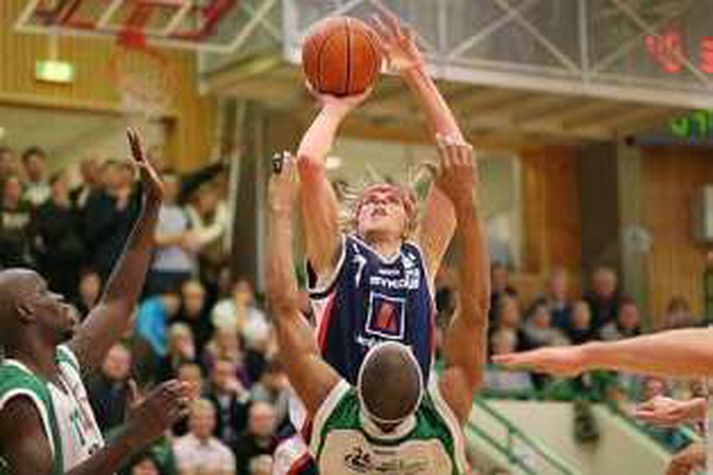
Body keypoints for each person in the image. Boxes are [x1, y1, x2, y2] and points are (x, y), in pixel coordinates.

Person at [267, 139, 488, 474]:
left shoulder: (418, 257)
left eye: (391, 199)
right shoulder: (343, 253)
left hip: (337, 424)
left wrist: (281, 208)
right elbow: (476, 311)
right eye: (371, 199)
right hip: (351, 423)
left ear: (408, 220)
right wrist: (467, 201)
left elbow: (282, 308)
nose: (380, 202)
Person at [0, 129, 192, 475]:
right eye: (44, 292)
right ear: (24, 311)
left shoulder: (62, 362)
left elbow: (117, 301)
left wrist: (151, 206)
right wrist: (130, 437)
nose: (59, 297)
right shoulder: (18, 398)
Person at [172, 399, 235, 475]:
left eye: (208, 418)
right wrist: (216, 471)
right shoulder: (179, 448)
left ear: (214, 421)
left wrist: (198, 471)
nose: (204, 422)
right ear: (189, 422)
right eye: (198, 418)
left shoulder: (223, 450)